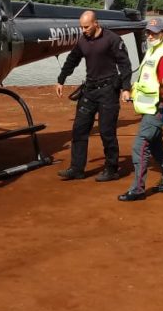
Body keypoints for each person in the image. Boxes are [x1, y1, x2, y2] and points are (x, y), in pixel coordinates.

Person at [54, 10, 133, 182]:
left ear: (96, 23)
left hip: (108, 91)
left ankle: (111, 169)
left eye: (86, 27)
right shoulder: (83, 40)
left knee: (107, 132)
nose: (83, 30)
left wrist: (126, 88)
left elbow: (125, 64)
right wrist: (61, 79)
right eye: (81, 27)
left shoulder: (112, 39)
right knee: (79, 130)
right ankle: (77, 169)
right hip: (89, 91)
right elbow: (72, 59)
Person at [118, 17, 163, 201]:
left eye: (154, 33)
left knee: (140, 146)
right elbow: (146, 79)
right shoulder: (153, 51)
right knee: (156, 146)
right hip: (149, 107)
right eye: (148, 32)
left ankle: (137, 189)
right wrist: (131, 92)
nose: (150, 36)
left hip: (156, 109)